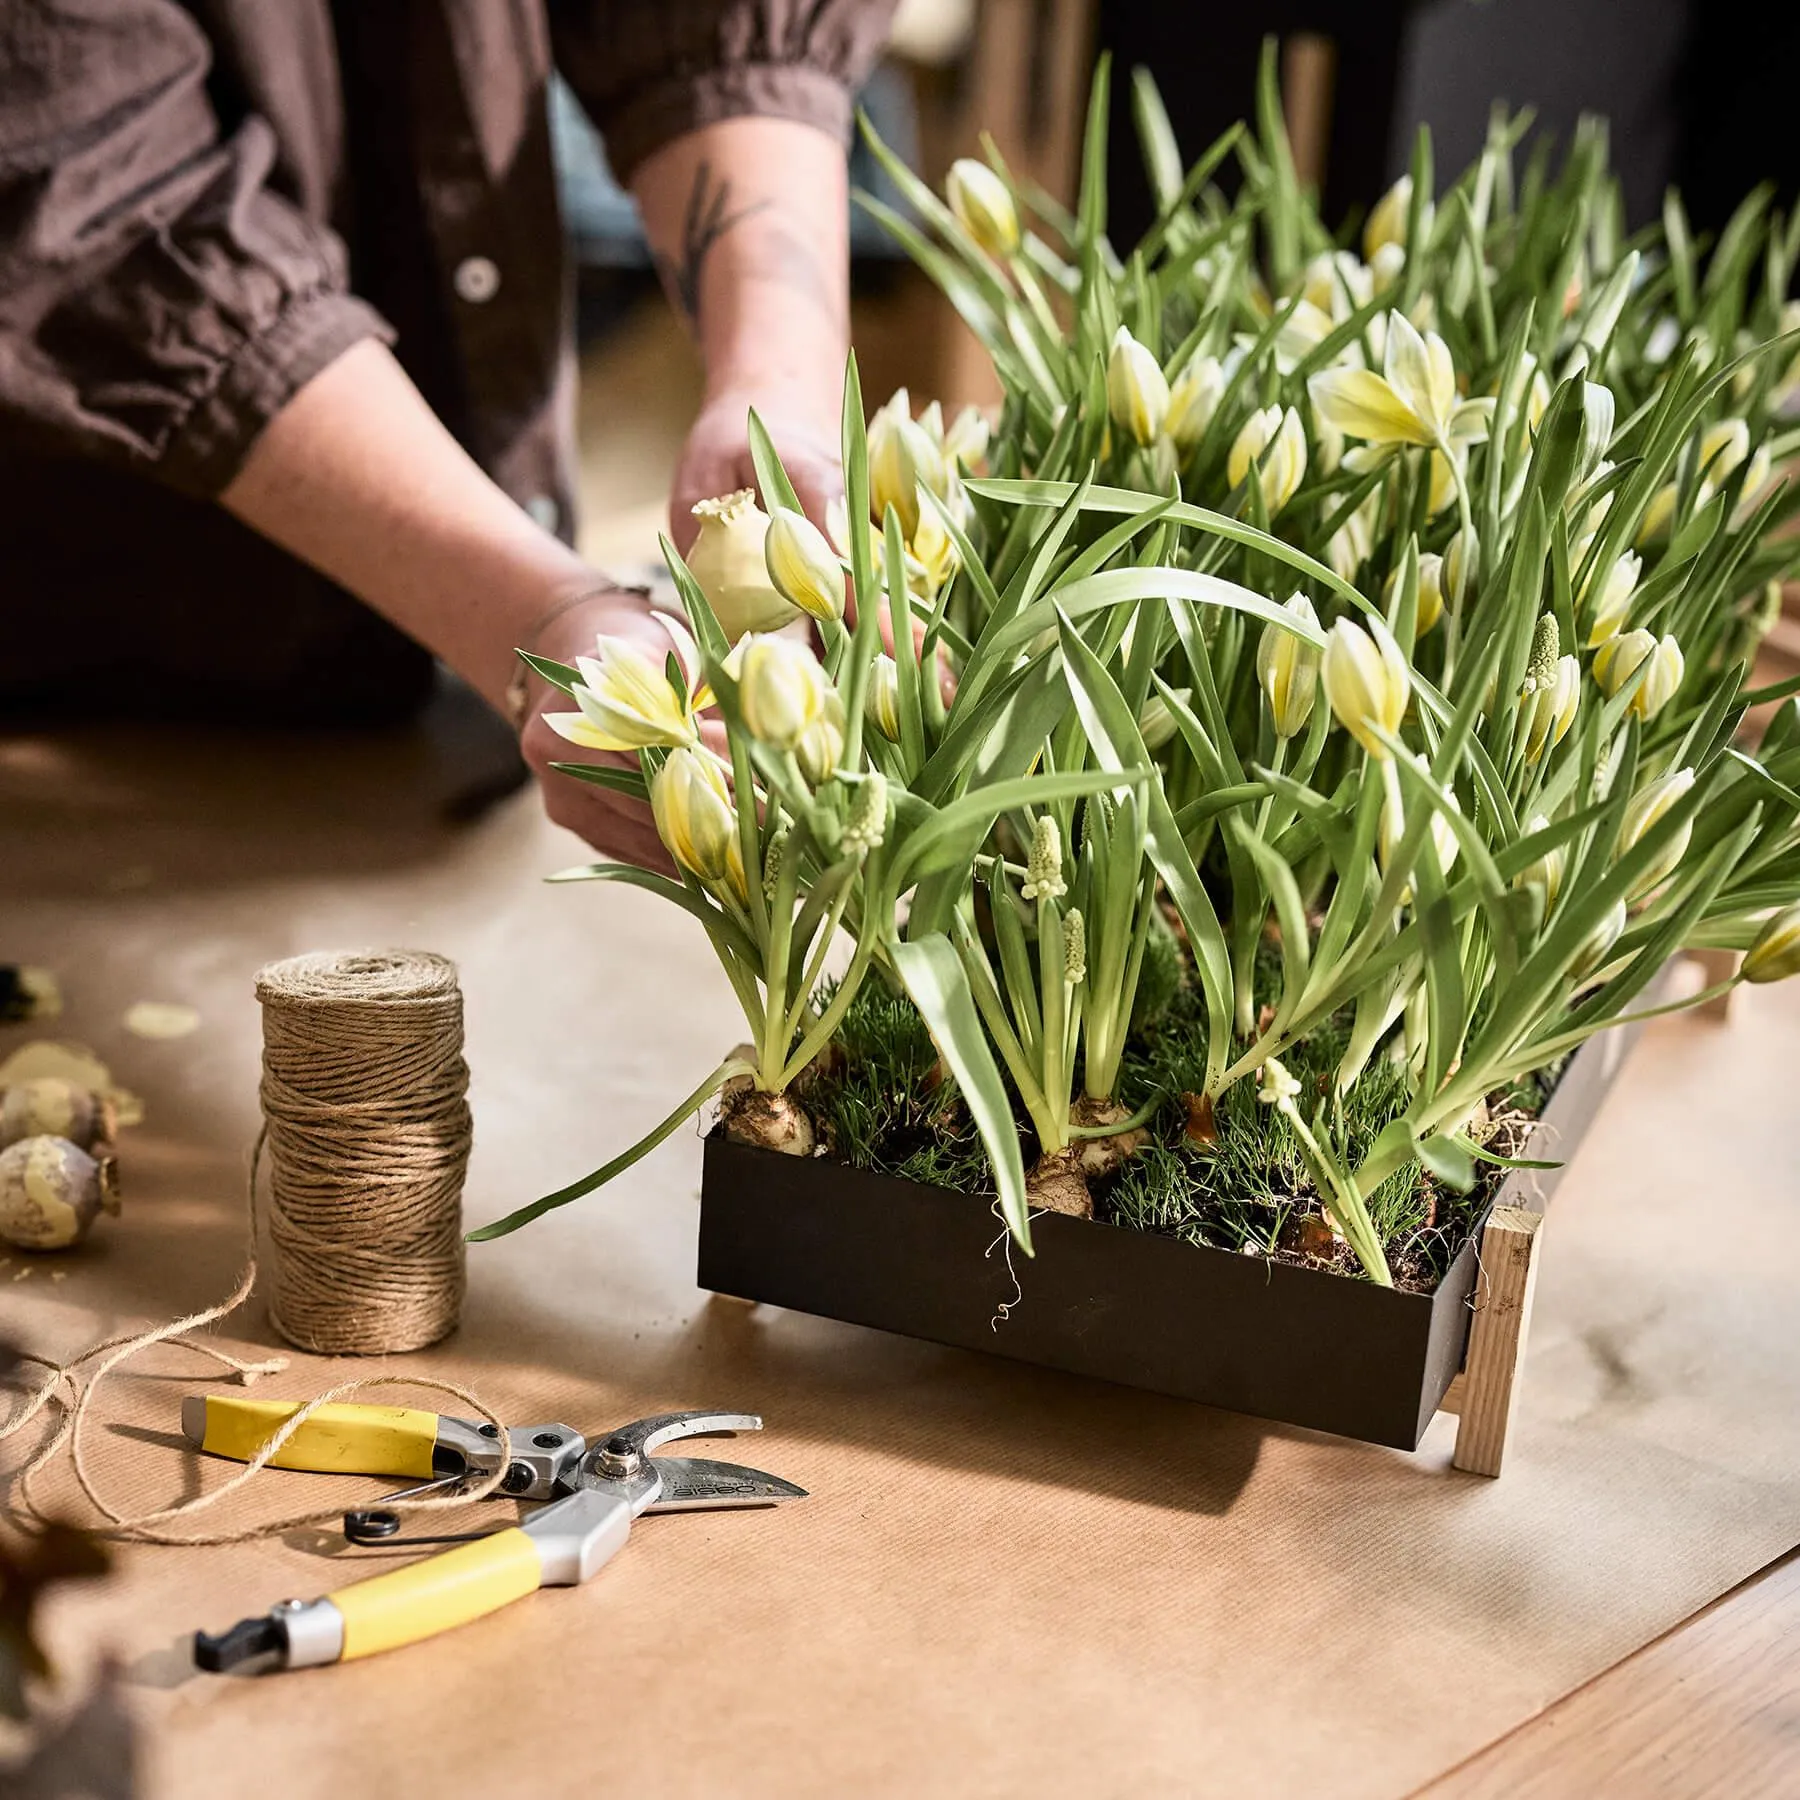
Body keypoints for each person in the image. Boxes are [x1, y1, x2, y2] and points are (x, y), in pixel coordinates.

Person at [0, 1, 893, 869]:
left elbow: (724, 32)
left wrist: (776, 393)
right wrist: (538, 615)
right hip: (94, 682)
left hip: (448, 686)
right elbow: (97, 196)